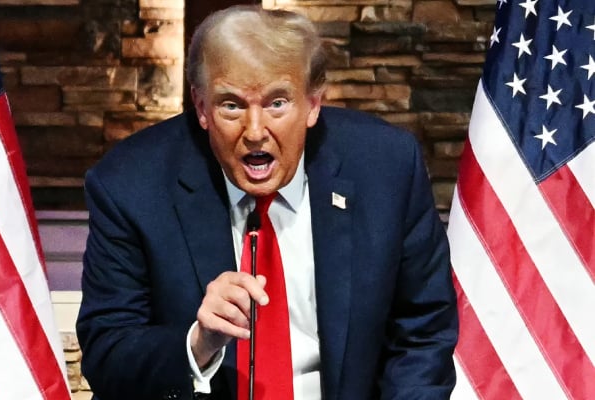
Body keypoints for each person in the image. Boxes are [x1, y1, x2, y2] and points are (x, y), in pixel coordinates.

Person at [76, 5, 458, 400]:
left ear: (312, 103)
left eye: (277, 103)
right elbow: (108, 353)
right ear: (201, 107)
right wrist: (198, 342)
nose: (255, 131)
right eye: (232, 105)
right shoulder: (131, 185)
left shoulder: (386, 168)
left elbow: (423, 330)